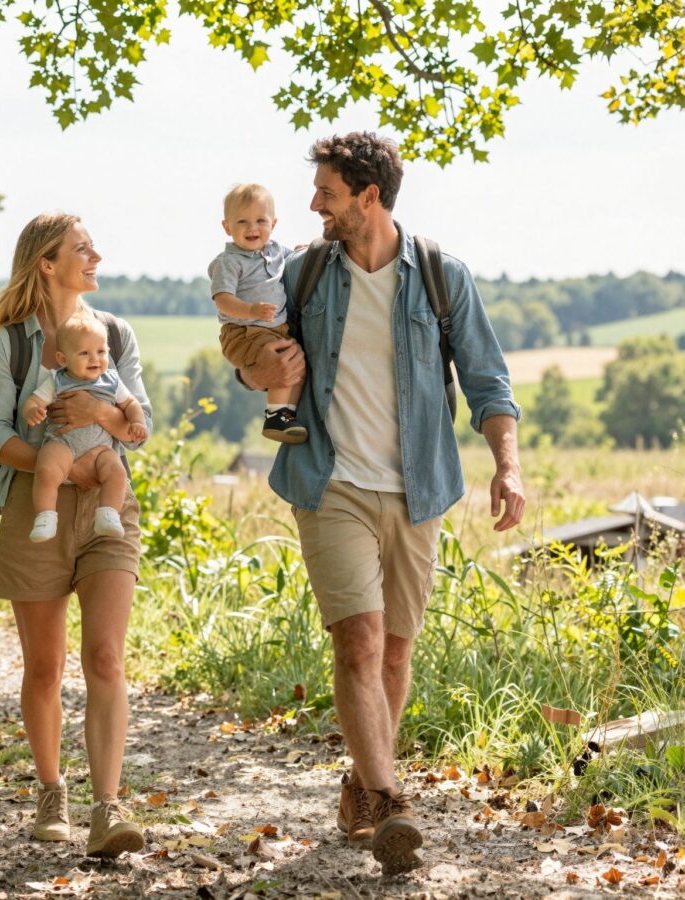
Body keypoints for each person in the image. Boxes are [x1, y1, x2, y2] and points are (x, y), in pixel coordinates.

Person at [240, 133, 525, 876]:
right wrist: (263, 366)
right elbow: (248, 358)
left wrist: (508, 467)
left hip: (418, 487)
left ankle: (361, 785)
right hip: (328, 482)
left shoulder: (439, 276)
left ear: (368, 196)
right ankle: (392, 800)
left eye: (327, 193)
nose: (312, 206)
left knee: (396, 649)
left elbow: (490, 383)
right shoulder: (303, 275)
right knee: (359, 642)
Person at [0, 213, 152, 857]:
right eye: (83, 249)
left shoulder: (117, 334)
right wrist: (59, 462)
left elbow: (140, 423)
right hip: (36, 505)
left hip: (109, 506)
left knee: (104, 657)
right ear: (47, 263)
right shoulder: (11, 345)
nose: (96, 255)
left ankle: (108, 807)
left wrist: (104, 412)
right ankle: (52, 794)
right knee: (44, 667)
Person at [22, 313, 148, 542]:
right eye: (84, 353)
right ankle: (46, 516)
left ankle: (108, 513)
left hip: (101, 449)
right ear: (62, 358)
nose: (95, 359)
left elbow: (131, 403)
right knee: (46, 470)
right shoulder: (57, 380)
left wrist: (137, 422)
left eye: (101, 352)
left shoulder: (111, 380)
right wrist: (33, 411)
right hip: (63, 443)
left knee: (117, 472)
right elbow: (34, 400)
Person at [210, 183, 308, 443]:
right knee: (283, 361)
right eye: (242, 221)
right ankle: (276, 416)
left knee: (298, 365)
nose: (252, 228)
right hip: (243, 332)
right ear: (227, 227)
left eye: (260, 221)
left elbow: (293, 259)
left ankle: (287, 414)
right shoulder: (229, 262)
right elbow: (223, 299)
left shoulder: (275, 251)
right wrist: (250, 310)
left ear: (273, 223)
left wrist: (302, 251)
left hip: (274, 330)